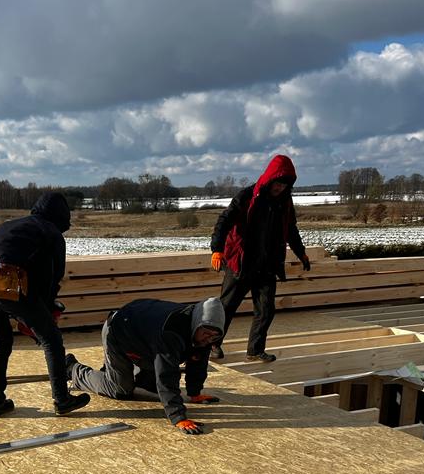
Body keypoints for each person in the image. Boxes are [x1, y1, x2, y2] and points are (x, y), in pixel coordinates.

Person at [0, 192, 90, 417]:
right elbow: (52, 277)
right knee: (52, 340)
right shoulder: (51, 233)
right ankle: (62, 399)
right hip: (9, 285)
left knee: (1, 342)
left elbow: (5, 260)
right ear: (61, 216)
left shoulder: (13, 225)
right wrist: (46, 310)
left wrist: (31, 312)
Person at [66, 297, 224, 435]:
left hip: (145, 337)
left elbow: (198, 360)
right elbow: (166, 375)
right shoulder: (172, 331)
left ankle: (119, 372)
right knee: (119, 389)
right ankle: (72, 369)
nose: (208, 338)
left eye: (213, 336)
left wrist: (194, 393)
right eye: (205, 333)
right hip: (119, 330)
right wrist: (178, 417)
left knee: (152, 387)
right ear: (197, 325)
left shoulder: (203, 330)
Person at [209, 154, 311, 362]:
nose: (280, 188)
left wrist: (301, 252)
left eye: (284, 185)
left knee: (265, 310)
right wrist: (217, 249)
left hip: (267, 264)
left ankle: (255, 351)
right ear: (270, 178)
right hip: (242, 262)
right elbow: (224, 221)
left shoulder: (285, 202)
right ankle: (213, 344)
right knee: (227, 307)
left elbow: (291, 229)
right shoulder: (247, 196)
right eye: (278, 183)